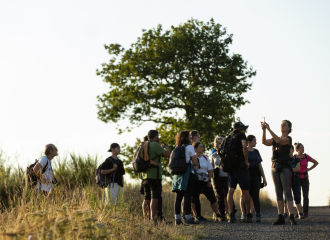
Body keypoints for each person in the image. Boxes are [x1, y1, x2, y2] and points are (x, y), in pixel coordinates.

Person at [261, 120, 297, 225]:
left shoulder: (288, 139)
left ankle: (291, 216)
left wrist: (268, 128)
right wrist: (264, 130)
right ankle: (280, 216)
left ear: (289, 128)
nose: (282, 126)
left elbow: (280, 141)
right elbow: (264, 142)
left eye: (284, 125)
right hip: (274, 167)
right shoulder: (275, 139)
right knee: (278, 192)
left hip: (285, 167)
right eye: (281, 124)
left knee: (287, 192)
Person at [139, 130, 170, 223]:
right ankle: (153, 219)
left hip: (144, 175)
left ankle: (145, 219)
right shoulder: (155, 144)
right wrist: (164, 148)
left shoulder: (142, 145)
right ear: (156, 136)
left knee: (146, 198)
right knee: (155, 197)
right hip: (154, 175)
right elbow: (167, 154)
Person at [172, 130, 199, 225]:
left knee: (178, 196)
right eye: (190, 136)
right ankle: (188, 218)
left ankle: (177, 219)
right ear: (187, 138)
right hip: (188, 173)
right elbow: (195, 162)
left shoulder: (177, 148)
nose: (191, 138)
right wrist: (196, 164)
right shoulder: (190, 147)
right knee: (187, 195)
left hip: (177, 174)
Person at [227, 122, 252, 223]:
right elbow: (244, 146)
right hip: (240, 167)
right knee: (245, 190)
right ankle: (248, 215)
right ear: (240, 129)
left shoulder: (229, 137)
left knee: (231, 190)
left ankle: (231, 215)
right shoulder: (241, 135)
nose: (245, 130)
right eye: (243, 128)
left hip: (230, 167)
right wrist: (246, 161)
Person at [191, 141, 222, 221]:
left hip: (205, 180)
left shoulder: (205, 158)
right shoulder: (192, 158)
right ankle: (197, 216)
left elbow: (210, 169)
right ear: (195, 149)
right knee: (194, 199)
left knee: (212, 197)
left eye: (202, 146)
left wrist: (209, 180)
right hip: (196, 180)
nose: (202, 148)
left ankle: (217, 214)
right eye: (200, 147)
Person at [240, 135, 267, 222]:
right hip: (246, 174)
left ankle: (258, 215)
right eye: (254, 141)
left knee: (256, 195)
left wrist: (264, 178)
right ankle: (246, 214)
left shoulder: (256, 151)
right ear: (249, 142)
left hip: (256, 175)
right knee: (246, 195)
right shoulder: (243, 150)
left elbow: (260, 165)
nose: (255, 143)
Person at [210, 136, 233, 221]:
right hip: (217, 178)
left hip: (227, 176)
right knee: (219, 195)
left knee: (228, 194)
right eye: (218, 143)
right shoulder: (213, 155)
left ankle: (231, 213)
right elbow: (211, 167)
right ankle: (221, 214)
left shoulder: (228, 153)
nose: (220, 144)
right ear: (215, 144)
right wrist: (211, 178)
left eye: (222, 143)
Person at [294, 142, 319, 218]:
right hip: (297, 178)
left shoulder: (306, 156)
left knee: (305, 196)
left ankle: (305, 212)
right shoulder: (294, 157)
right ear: (297, 149)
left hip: (305, 177)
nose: (303, 149)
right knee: (297, 196)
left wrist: (309, 169)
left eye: (303, 147)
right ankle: (298, 212)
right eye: (301, 148)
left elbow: (316, 162)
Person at [284, 145, 303, 219]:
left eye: (291, 148)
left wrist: (289, 169)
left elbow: (298, 169)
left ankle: (300, 213)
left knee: (297, 196)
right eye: (288, 149)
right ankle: (286, 213)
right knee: (287, 196)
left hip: (296, 179)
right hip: (287, 179)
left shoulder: (297, 159)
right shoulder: (285, 160)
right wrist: (293, 169)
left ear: (293, 150)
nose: (289, 150)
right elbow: (286, 169)